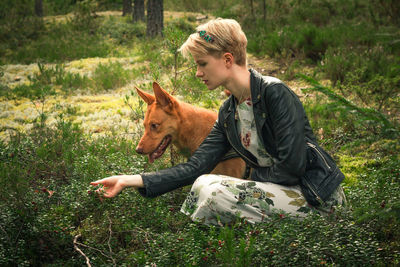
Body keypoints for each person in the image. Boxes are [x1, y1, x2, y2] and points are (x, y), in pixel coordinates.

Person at [91, 18, 346, 225]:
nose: (198, 72)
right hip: (276, 194)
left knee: (213, 190)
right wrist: (129, 179)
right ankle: (216, 248)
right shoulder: (228, 112)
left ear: (227, 60)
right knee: (202, 183)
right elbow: (195, 166)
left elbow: (292, 167)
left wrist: (250, 180)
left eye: (202, 64)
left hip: (314, 197)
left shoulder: (274, 92)